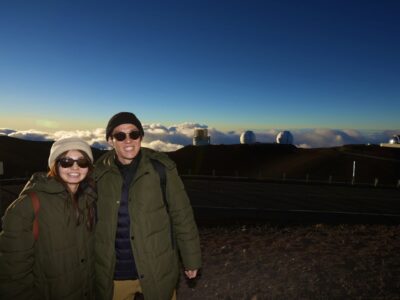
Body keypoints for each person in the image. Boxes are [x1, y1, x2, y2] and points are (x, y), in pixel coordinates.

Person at [94, 112, 201, 300]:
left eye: (133, 134)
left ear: (141, 137)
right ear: (110, 141)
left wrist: (191, 258)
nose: (128, 140)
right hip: (115, 274)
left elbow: (182, 215)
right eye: (120, 135)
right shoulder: (97, 174)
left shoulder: (161, 168)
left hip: (157, 268)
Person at [0, 137, 97, 300]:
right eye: (66, 162)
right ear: (55, 165)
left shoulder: (89, 200)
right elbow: (12, 275)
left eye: (82, 162)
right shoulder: (28, 206)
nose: (75, 167)